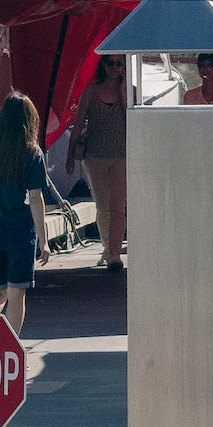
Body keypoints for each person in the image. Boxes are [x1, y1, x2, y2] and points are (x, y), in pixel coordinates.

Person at [0, 93, 56, 337]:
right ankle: (9, 349)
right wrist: (44, 240)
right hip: (19, 229)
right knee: (17, 292)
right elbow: (35, 197)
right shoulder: (31, 153)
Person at [78, 56, 130, 270]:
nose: (115, 68)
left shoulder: (128, 90)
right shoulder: (91, 91)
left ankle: (115, 253)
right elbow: (80, 121)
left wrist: (124, 90)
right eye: (111, 63)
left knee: (118, 206)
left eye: (119, 64)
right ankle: (108, 247)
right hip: (95, 155)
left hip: (122, 154)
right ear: (103, 65)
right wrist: (71, 156)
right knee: (103, 206)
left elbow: (132, 117)